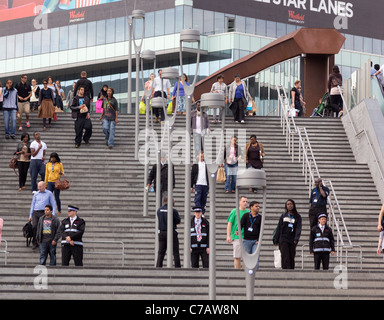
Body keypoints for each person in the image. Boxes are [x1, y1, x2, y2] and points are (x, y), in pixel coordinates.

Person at [274, 199, 302, 270]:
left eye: (291, 204)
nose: (290, 205)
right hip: (283, 238)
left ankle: (291, 270)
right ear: (286, 206)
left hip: (292, 239)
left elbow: (298, 228)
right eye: (288, 204)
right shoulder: (283, 215)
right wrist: (276, 240)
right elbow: (279, 227)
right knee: (285, 255)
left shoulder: (297, 216)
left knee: (291, 255)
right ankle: (285, 270)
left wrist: (296, 239)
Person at [29, 181, 57, 249]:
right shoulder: (36, 194)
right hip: (36, 212)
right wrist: (30, 215)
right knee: (34, 226)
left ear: (44, 186)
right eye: (38, 187)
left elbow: (53, 204)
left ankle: (42, 242)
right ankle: (35, 242)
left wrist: (53, 214)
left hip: (44, 213)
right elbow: (33, 204)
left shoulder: (49, 193)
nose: (39, 188)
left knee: (43, 227)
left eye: (40, 187)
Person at [156, 196, 181, 268]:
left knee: (161, 252)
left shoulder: (159, 210)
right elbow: (178, 221)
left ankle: (158, 266)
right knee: (175, 251)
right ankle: (177, 267)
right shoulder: (173, 210)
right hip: (171, 232)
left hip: (161, 232)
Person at [226, 196, 249, 269]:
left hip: (246, 237)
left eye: (246, 201)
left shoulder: (248, 212)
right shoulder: (234, 211)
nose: (245, 203)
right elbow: (229, 224)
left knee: (246, 257)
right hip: (236, 237)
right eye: (243, 201)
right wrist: (228, 235)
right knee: (237, 256)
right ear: (239, 202)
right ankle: (237, 272)